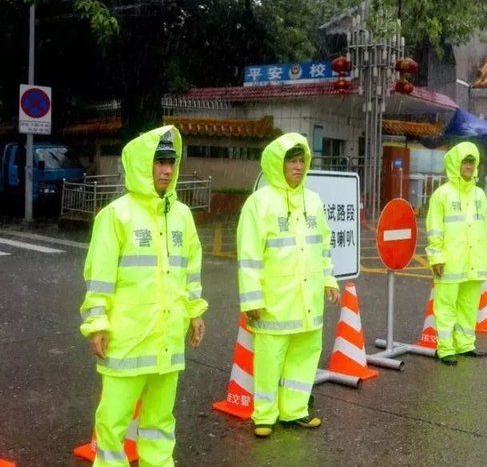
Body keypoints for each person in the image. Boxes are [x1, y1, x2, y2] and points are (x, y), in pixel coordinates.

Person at [79, 126, 207, 467]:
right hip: (128, 338)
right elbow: (99, 276)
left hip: (168, 338)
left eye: (171, 162)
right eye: (158, 161)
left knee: (161, 420)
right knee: (113, 420)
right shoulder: (116, 216)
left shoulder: (182, 216)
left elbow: (191, 270)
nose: (166, 169)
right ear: (140, 164)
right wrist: (97, 323)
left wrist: (195, 312)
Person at [236, 133, 341, 438]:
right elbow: (249, 255)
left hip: (308, 301)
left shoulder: (314, 201)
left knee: (305, 356)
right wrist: (252, 299)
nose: (297, 167)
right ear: (276, 165)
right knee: (270, 360)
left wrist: (329, 279)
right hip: (274, 302)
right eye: (291, 161)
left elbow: (323, 246)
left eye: (301, 161)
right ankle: (264, 415)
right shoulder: (259, 203)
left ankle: (294, 411)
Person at [425, 142, 487, 366]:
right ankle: (445, 348)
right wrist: (436, 257)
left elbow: (486, 228)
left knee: (468, 304)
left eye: (472, 162)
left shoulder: (480, 195)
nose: (468, 166)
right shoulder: (442, 195)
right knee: (446, 305)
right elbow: (434, 229)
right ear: (456, 164)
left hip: (475, 261)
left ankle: (465, 344)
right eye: (465, 162)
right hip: (450, 262)